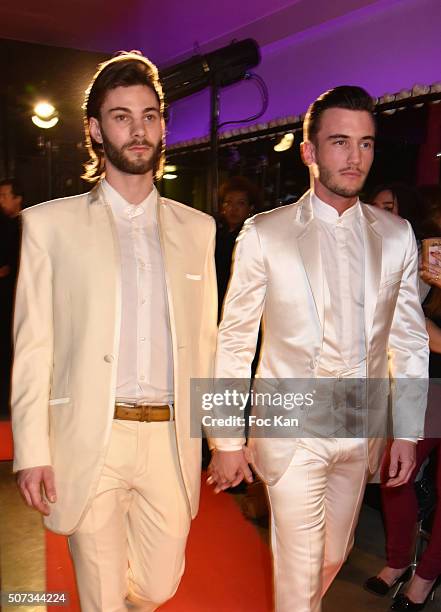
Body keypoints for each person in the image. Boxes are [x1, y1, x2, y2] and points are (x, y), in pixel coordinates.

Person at [207, 85, 429, 612]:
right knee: (300, 571)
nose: (355, 158)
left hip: (360, 424)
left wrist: (409, 430)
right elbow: (234, 338)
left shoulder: (397, 235)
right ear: (309, 152)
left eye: (366, 144)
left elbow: (409, 338)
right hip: (291, 426)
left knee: (335, 554)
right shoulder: (265, 233)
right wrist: (224, 438)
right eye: (339, 142)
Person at [11, 51, 217, 612]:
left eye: (149, 115)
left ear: (162, 127)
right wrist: (31, 449)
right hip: (89, 437)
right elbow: (34, 346)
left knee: (157, 586)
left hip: (170, 441)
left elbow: (207, 344)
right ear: (96, 130)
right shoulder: (48, 226)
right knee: (102, 596)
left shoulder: (197, 230)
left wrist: (225, 439)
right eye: (122, 116)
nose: (138, 128)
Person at [365, 185, 441, 611]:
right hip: (428, 382)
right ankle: (397, 561)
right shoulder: (422, 242)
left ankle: (426, 575)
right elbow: (404, 320)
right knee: (396, 473)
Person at [215, 176, 261, 316]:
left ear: (250, 208)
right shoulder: (216, 233)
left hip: (241, 305)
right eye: (228, 203)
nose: (233, 209)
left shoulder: (253, 236)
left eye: (240, 203)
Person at [0, 179, 23, 417]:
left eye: (5, 195)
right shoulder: (7, 226)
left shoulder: (26, 225)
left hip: (16, 303)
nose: (1, 200)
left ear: (18, 198)